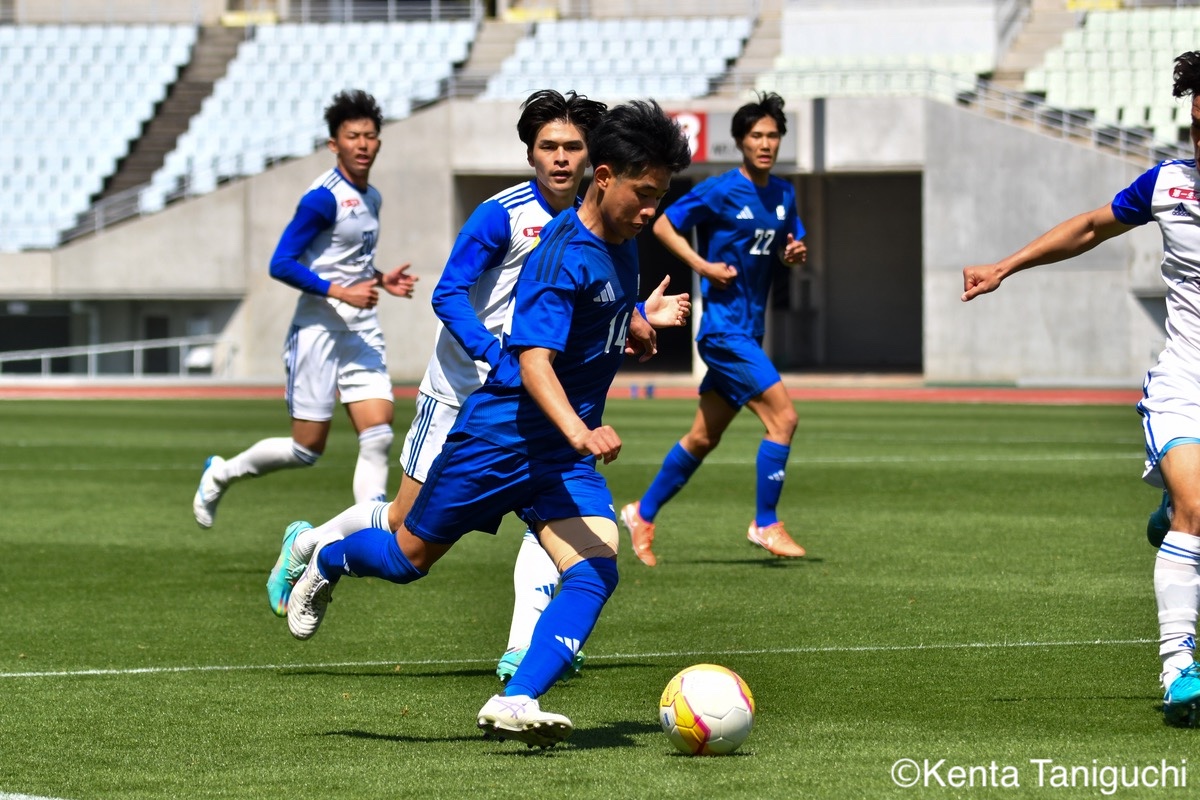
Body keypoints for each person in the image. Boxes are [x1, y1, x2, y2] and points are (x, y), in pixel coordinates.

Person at [284, 99, 693, 747]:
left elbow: (596, 318)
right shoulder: (561, 253)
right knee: (407, 558)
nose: (652, 210)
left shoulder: (622, 244)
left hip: (557, 457)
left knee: (595, 569)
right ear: (606, 177)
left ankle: (517, 698)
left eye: (660, 196)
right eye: (644, 194)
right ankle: (328, 559)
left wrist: (636, 323)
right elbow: (533, 361)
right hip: (500, 438)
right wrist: (581, 430)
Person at [960, 51, 1200, 727]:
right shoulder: (1169, 184)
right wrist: (1007, 265)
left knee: (1189, 514)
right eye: (1196, 125)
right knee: (1199, 506)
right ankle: (1179, 669)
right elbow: (1093, 226)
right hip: (1185, 383)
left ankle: (1172, 515)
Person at [192, 90, 417, 529]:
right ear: (334, 144)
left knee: (378, 436)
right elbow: (281, 263)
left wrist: (380, 279)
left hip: (361, 330)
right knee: (306, 448)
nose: (363, 144)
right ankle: (220, 473)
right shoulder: (322, 198)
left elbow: (346, 260)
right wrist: (341, 292)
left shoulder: (372, 197)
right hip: (318, 330)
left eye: (370, 135)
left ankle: (367, 533)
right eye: (352, 136)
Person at [619, 91, 809, 567]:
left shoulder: (784, 194)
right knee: (784, 419)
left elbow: (791, 245)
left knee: (703, 438)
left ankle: (642, 513)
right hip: (724, 333)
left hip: (751, 330)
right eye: (756, 135)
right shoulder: (721, 189)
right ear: (741, 141)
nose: (765, 143)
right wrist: (702, 266)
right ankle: (765, 522)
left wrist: (793, 255)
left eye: (772, 135)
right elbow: (663, 225)